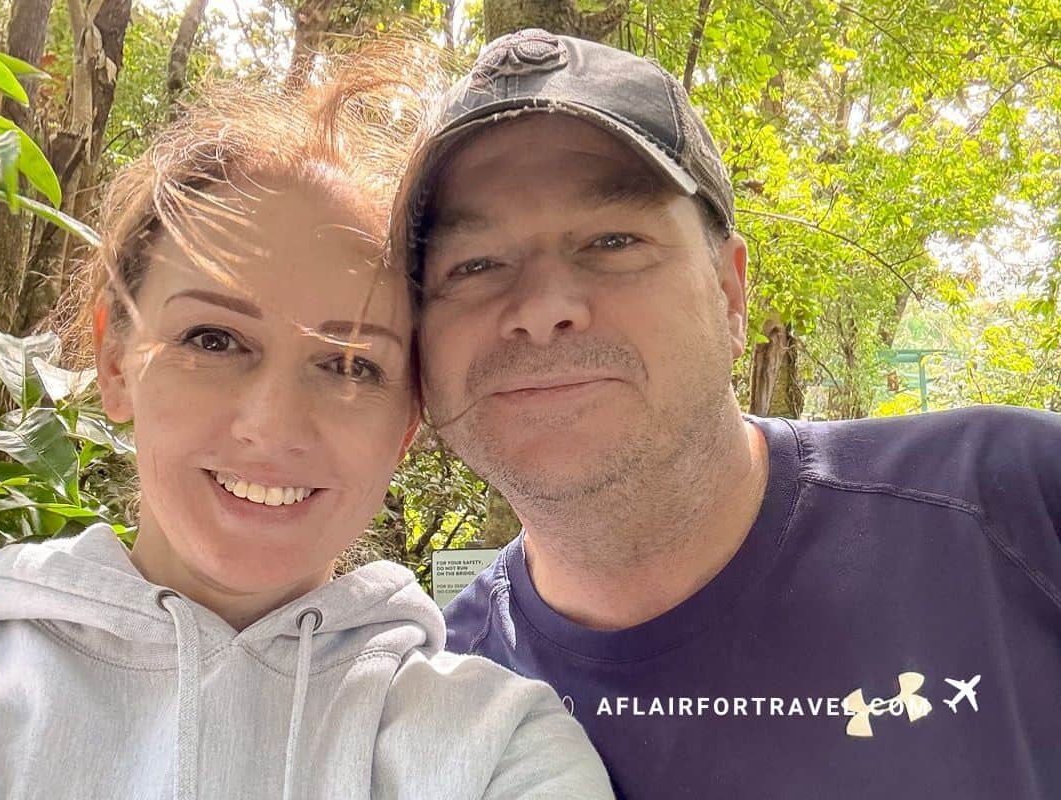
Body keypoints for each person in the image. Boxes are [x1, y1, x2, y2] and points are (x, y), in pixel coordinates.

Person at [0, 50, 613, 800]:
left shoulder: (498, 747)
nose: (274, 426)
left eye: (351, 365)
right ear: (116, 362)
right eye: (213, 341)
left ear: (408, 421)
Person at [392, 28, 1061, 799]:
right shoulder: (438, 706)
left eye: (612, 240)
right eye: (473, 265)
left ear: (731, 291)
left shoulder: (1014, 507)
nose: (542, 308)